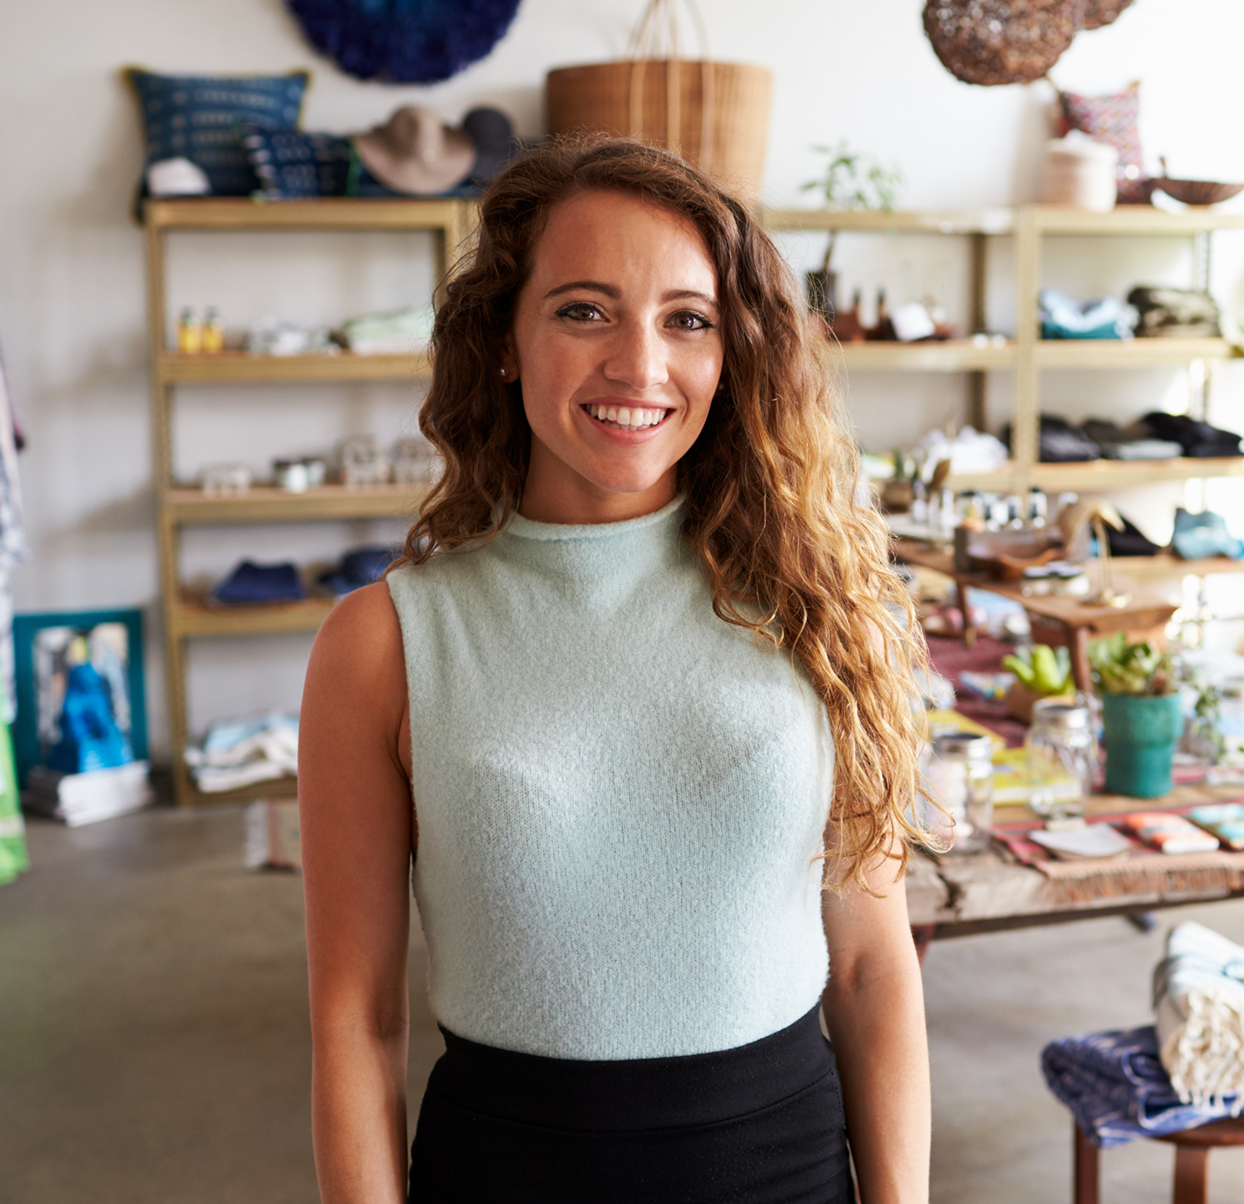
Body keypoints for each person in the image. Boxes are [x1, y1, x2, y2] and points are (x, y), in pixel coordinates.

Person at [299, 137, 934, 1204]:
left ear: (731, 352)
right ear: (505, 337)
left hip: (783, 1174)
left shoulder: (819, 611)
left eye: (687, 319)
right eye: (584, 309)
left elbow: (871, 970)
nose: (640, 365)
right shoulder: (385, 644)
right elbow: (358, 1022)